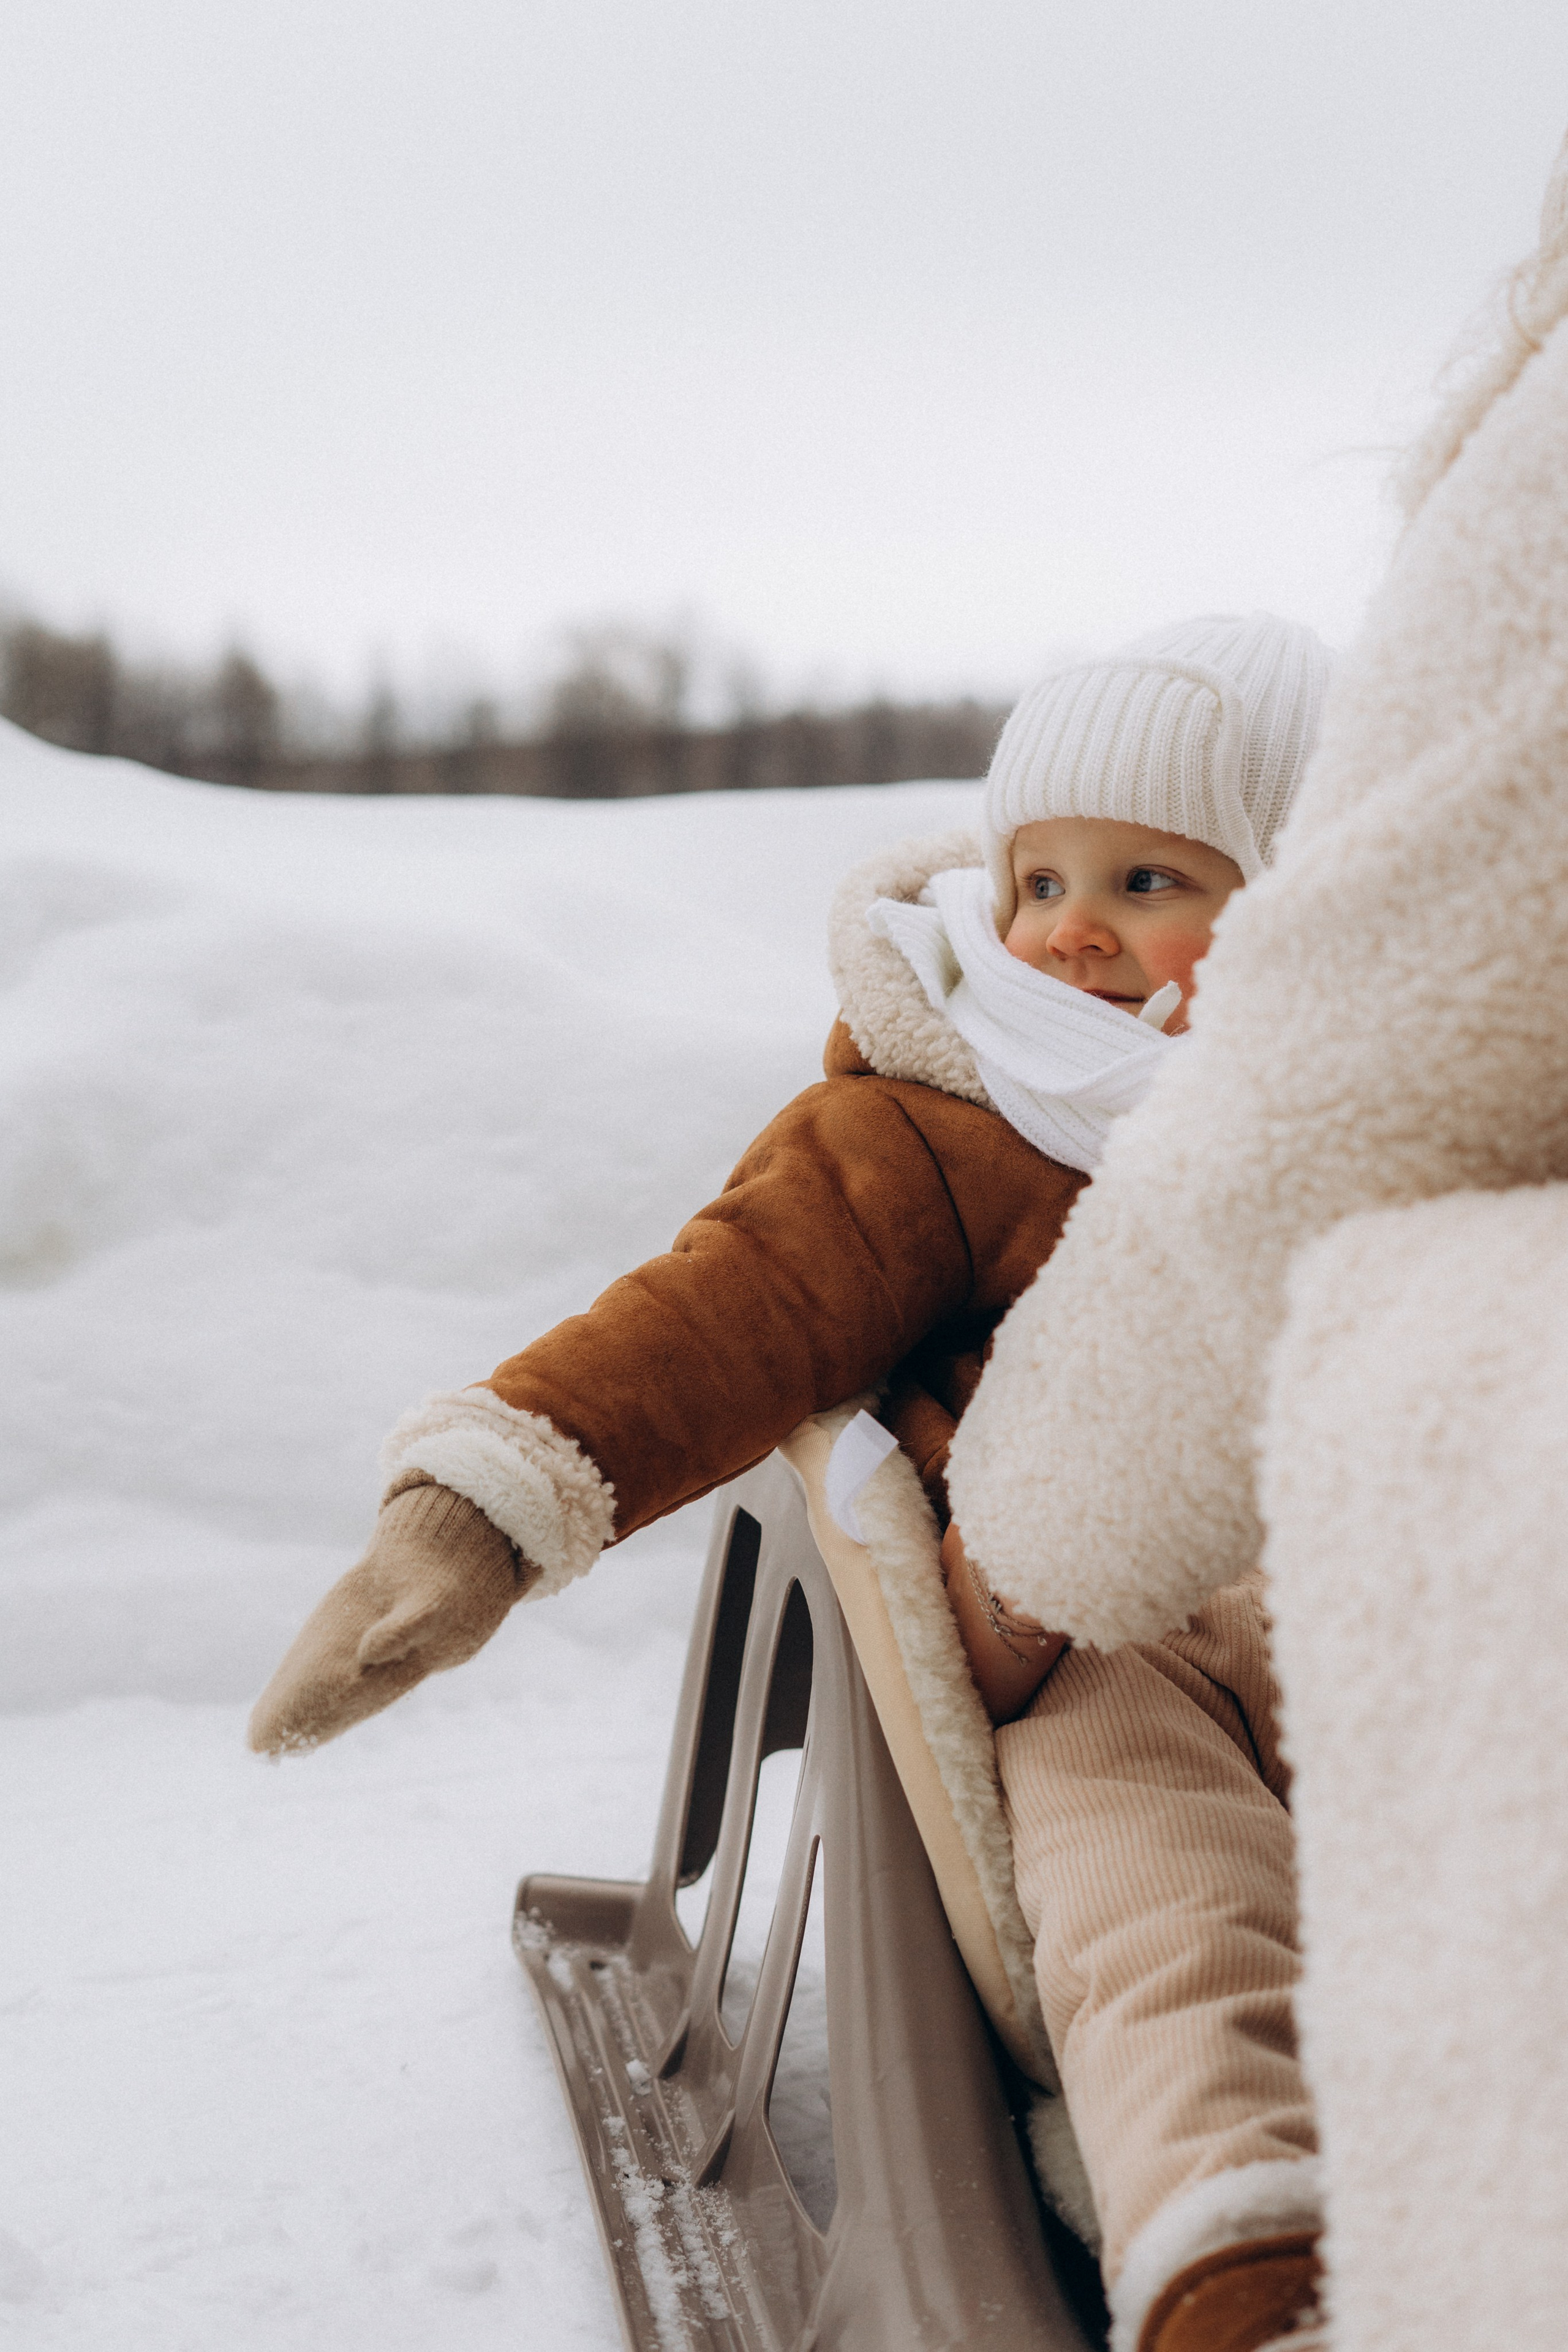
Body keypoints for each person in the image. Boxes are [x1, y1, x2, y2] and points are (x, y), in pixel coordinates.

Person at [249, 612, 1329, 2352]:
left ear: (1301, 891)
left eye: (1148, 879)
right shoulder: (962, 1115)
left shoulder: (1395, 1105)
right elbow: (736, 1302)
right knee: (1157, 1888)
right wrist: (480, 1509)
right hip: (1091, 1615)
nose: (1070, 931)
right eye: (1036, 876)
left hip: (1371, 1577)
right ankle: (1244, 2232)